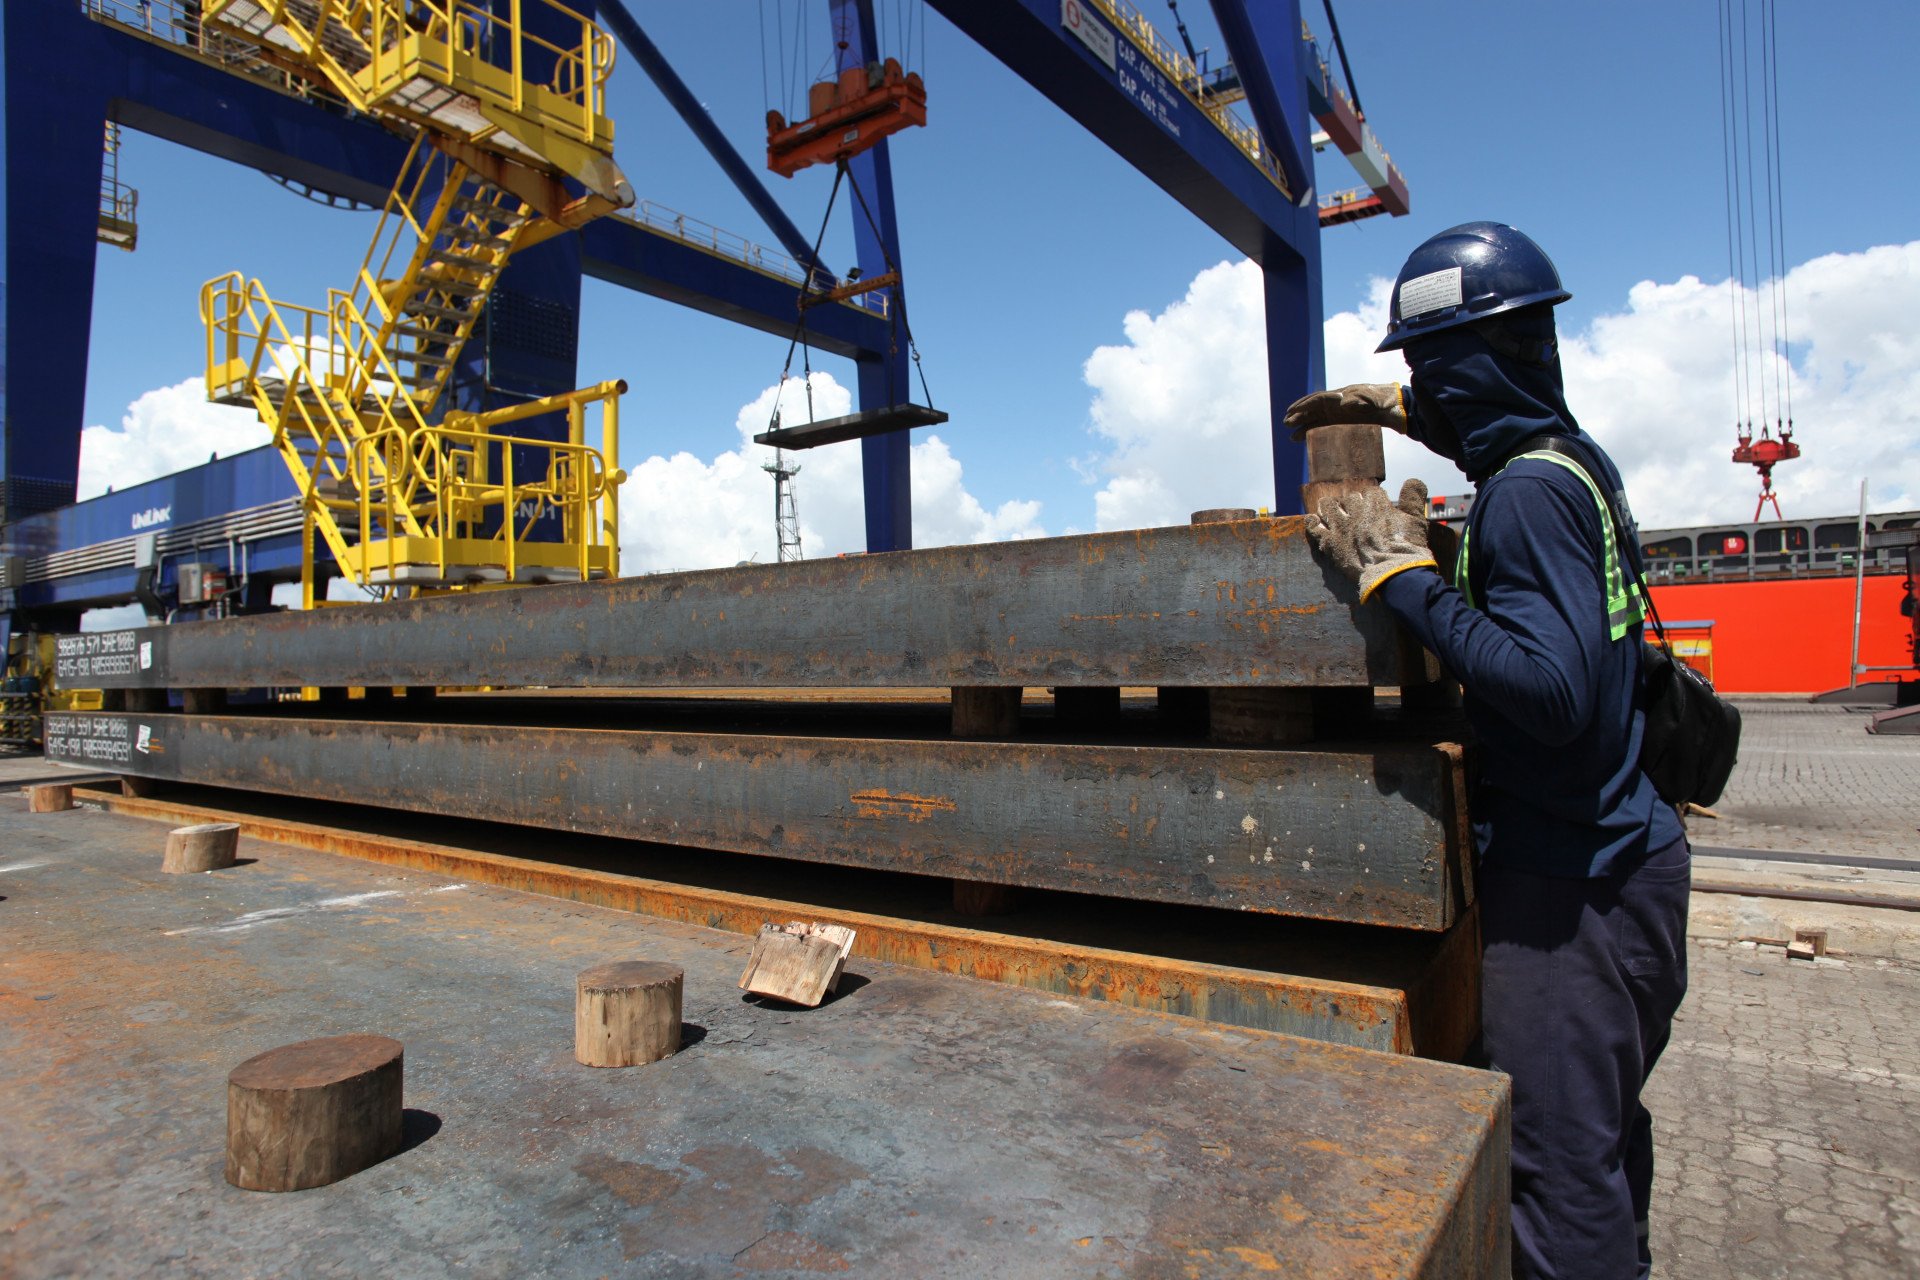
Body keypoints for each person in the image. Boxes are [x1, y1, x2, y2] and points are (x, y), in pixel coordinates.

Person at [1287, 222, 1690, 1280]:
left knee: (1558, 1179)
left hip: (1573, 897)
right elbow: (1491, 422)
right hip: (1626, 863)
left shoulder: (1525, 495)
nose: (1423, 390)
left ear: (1470, 361)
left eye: (1426, 369)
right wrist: (1405, 415)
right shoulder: (1569, 460)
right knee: (1599, 1143)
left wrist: (1398, 573)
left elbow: (1551, 692)